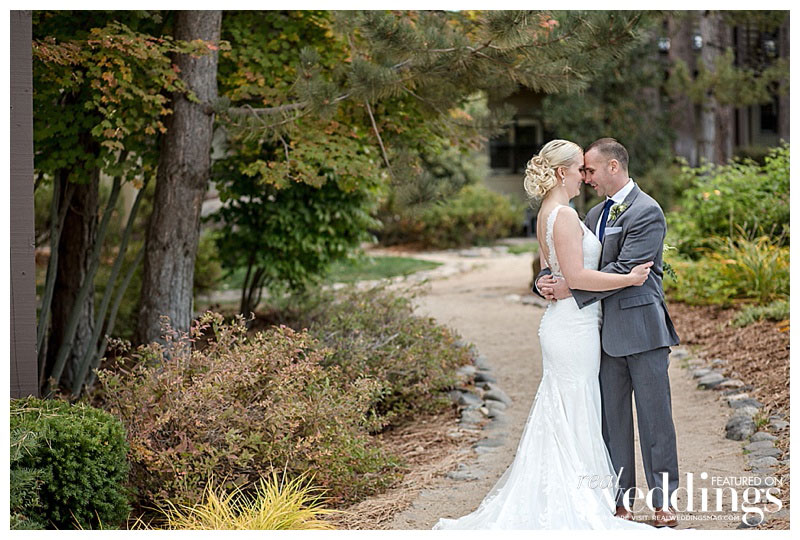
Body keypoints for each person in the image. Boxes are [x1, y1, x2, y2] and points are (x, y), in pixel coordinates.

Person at [432, 139, 655, 530]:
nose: (584, 179)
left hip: (567, 322)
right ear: (560, 173)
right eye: (579, 171)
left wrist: (548, 283)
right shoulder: (565, 216)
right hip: (573, 327)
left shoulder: (549, 213)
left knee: (570, 409)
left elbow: (554, 274)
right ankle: (584, 502)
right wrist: (628, 277)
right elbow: (577, 277)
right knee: (577, 407)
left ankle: (586, 495)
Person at [536, 138, 681, 527]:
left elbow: (630, 271)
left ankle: (664, 501)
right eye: (582, 171)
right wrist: (546, 282)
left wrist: (571, 287)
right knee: (611, 422)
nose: (587, 177)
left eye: (591, 170)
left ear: (613, 167)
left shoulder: (647, 211)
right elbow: (568, 257)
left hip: (642, 329)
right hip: (599, 334)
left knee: (655, 419)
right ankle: (620, 501)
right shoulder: (594, 213)